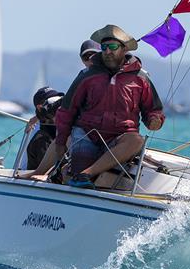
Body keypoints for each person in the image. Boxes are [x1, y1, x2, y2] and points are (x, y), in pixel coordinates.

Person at [45, 24, 165, 189]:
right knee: (74, 181)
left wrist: (154, 120)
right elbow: (67, 111)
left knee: (136, 140)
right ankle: (70, 176)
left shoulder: (141, 78)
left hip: (120, 138)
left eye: (113, 47)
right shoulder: (87, 76)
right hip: (87, 134)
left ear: (124, 50)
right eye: (104, 47)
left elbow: (154, 109)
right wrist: (60, 144)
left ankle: (87, 173)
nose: (108, 51)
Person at [25, 87, 64, 170]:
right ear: (40, 108)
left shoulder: (62, 132)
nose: (59, 107)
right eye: (54, 103)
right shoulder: (42, 140)